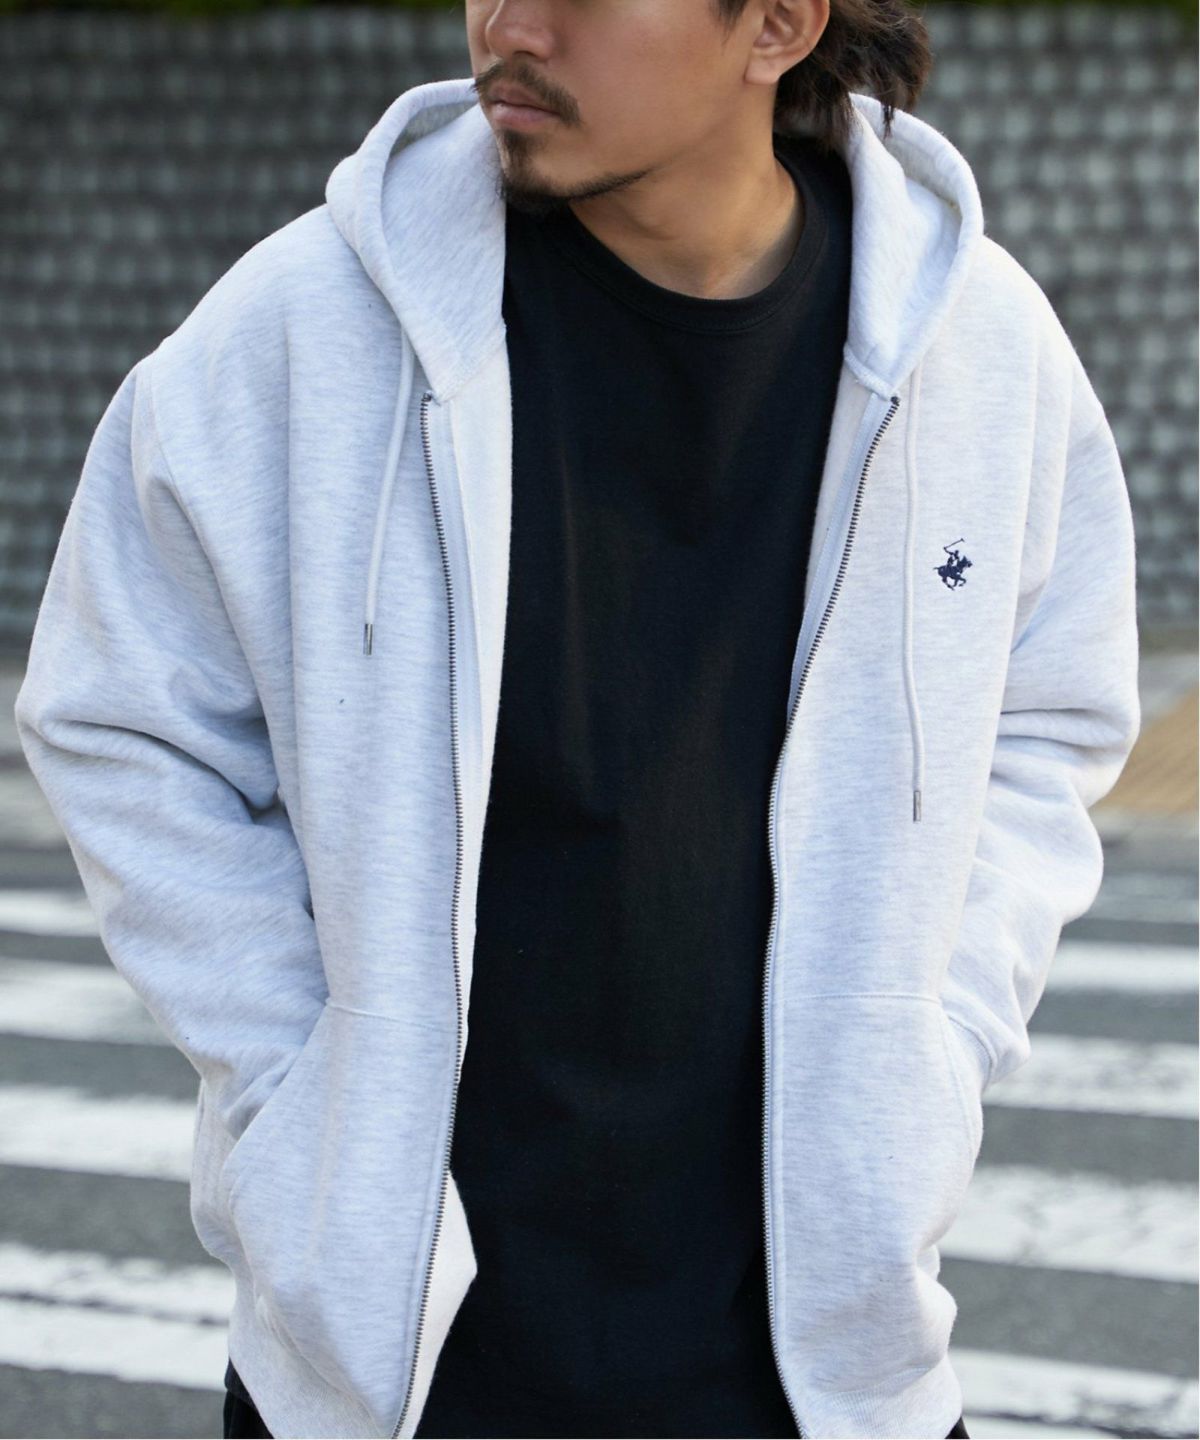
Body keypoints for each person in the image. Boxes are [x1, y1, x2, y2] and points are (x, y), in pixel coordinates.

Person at [14, 0, 1141, 1434]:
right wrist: (301, 1079)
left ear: (777, 25)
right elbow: (120, 715)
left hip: (826, 1374)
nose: (509, 23)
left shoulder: (978, 351)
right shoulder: (306, 325)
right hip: (397, 1375)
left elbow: (1051, 712)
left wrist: (939, 1028)